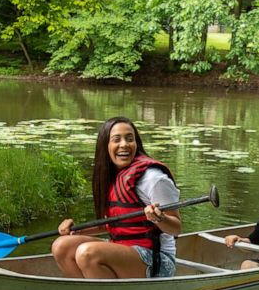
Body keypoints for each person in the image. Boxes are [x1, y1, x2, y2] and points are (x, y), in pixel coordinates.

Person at [52, 117, 181, 278]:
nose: (124, 144)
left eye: (129, 139)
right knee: (61, 246)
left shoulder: (154, 178)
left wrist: (159, 218)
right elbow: (113, 225)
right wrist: (75, 230)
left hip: (157, 260)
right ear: (105, 145)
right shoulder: (111, 176)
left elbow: (176, 228)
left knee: (87, 253)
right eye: (116, 139)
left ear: (137, 143)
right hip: (122, 248)